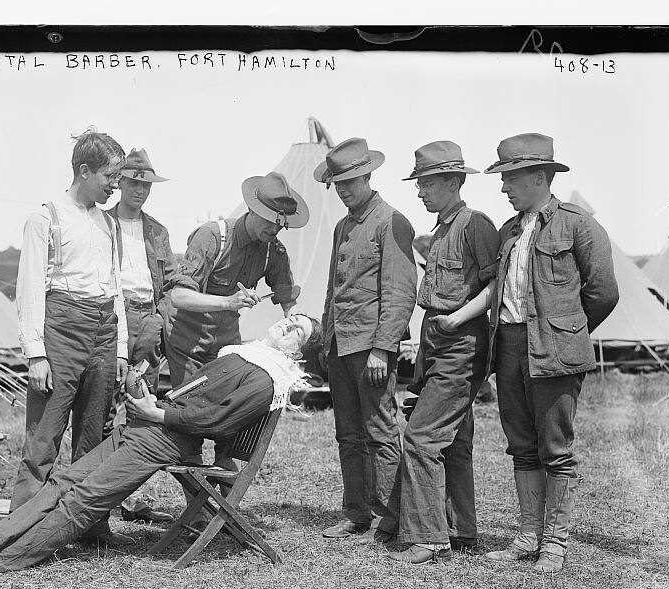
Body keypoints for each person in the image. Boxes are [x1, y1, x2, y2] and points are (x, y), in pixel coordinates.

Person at [0, 315, 324, 575]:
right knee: (62, 481)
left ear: (297, 351)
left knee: (83, 500)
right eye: (290, 320)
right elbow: (192, 396)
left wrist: (158, 414)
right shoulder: (244, 354)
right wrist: (147, 396)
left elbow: (218, 422)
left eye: (297, 332)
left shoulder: (266, 377)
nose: (287, 326)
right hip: (149, 426)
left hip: (164, 438)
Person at [481, 133, 618, 573]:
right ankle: (527, 538)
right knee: (521, 445)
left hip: (555, 352)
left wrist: (566, 333)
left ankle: (555, 544)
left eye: (511, 179)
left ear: (539, 177)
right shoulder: (508, 232)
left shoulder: (578, 225)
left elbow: (603, 293)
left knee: (555, 448)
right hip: (508, 347)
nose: (504, 188)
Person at [11, 129, 129, 544]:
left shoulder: (107, 224)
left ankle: (89, 527)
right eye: (110, 176)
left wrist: (120, 349)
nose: (116, 186)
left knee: (94, 437)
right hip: (62, 331)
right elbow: (28, 290)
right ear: (84, 170)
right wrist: (36, 355)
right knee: (43, 439)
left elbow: (114, 287)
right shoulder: (45, 218)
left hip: (103, 332)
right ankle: (19, 534)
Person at [387, 141, 499, 565]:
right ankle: (461, 530)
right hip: (435, 345)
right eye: (419, 184)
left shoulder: (475, 225)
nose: (420, 192)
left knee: (421, 438)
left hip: (460, 347)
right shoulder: (439, 232)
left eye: (428, 184)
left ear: (454, 182)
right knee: (455, 442)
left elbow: (495, 285)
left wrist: (456, 320)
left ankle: (429, 539)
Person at [160, 171, 308, 470]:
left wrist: (296, 327)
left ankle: (222, 491)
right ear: (252, 210)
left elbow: (286, 297)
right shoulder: (213, 236)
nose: (274, 230)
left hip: (225, 341)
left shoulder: (273, 250)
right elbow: (179, 297)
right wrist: (229, 302)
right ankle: (199, 509)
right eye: (269, 221)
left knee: (231, 412)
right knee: (190, 411)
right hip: (186, 338)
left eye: (280, 225)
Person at [314, 137, 418, 541]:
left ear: (368, 176)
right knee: (348, 434)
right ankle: (356, 512)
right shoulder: (342, 226)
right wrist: (326, 341)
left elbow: (400, 292)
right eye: (338, 184)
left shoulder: (391, 221)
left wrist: (382, 348)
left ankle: (392, 517)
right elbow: (332, 291)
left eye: (350, 182)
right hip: (341, 346)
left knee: (380, 431)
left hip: (371, 349)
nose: (343, 190)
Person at [104, 147, 177, 524]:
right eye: (134, 182)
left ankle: (130, 495)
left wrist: (158, 323)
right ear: (119, 183)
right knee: (101, 407)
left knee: (140, 405)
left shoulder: (158, 232)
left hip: (148, 320)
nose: (140, 190)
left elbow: (171, 285)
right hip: (112, 319)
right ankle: (97, 493)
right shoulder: (101, 223)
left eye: (146, 184)